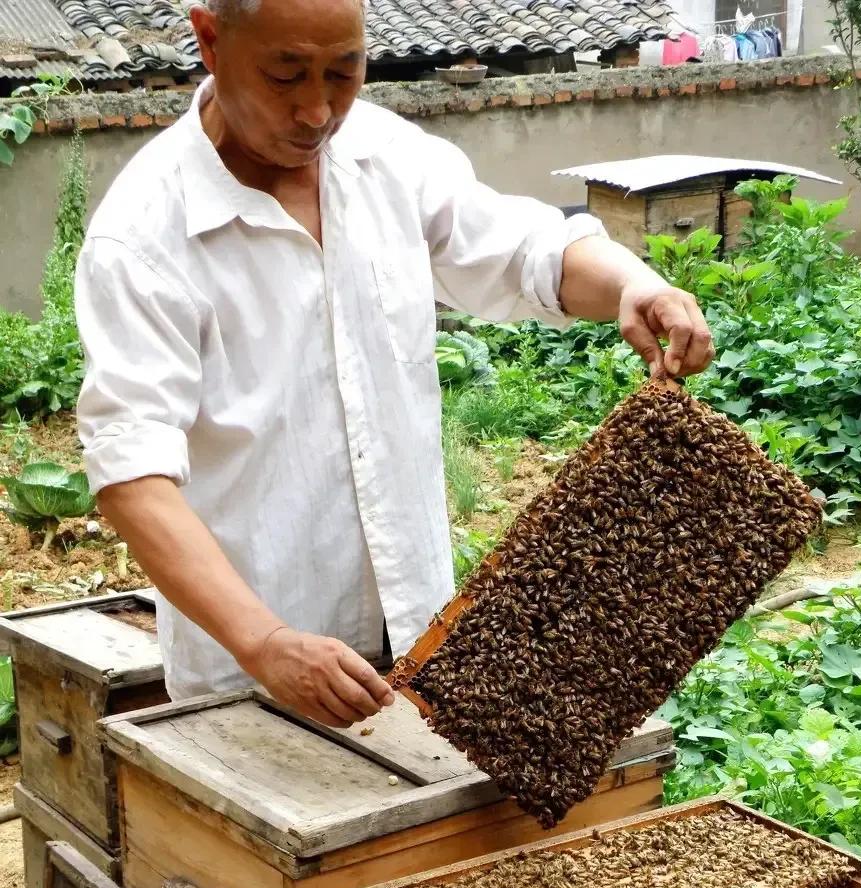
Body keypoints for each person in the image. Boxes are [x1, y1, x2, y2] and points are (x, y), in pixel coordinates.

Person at [76, 0, 715, 729]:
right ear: (210, 41)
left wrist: (635, 282)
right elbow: (133, 476)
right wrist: (267, 642)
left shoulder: (383, 154)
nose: (317, 111)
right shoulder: (142, 238)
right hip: (253, 676)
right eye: (286, 75)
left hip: (420, 633)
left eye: (344, 73)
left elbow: (519, 248)